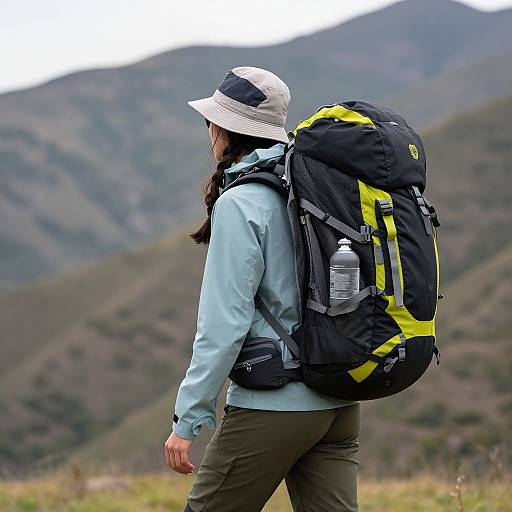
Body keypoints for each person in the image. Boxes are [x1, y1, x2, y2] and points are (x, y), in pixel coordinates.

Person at [164, 66, 361, 512]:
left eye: (210, 122)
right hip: (339, 401)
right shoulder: (317, 187)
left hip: (275, 402)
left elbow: (223, 325)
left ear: (225, 130)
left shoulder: (242, 202)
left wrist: (189, 417)